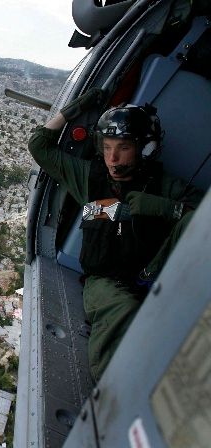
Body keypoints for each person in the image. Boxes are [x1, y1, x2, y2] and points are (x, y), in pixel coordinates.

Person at [28, 89, 204, 379]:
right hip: (105, 280)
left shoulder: (164, 185)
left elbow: (203, 217)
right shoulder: (90, 178)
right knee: (122, 309)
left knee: (192, 222)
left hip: (153, 271)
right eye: (107, 147)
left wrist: (168, 209)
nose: (113, 158)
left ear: (145, 149)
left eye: (123, 147)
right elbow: (39, 146)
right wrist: (74, 109)